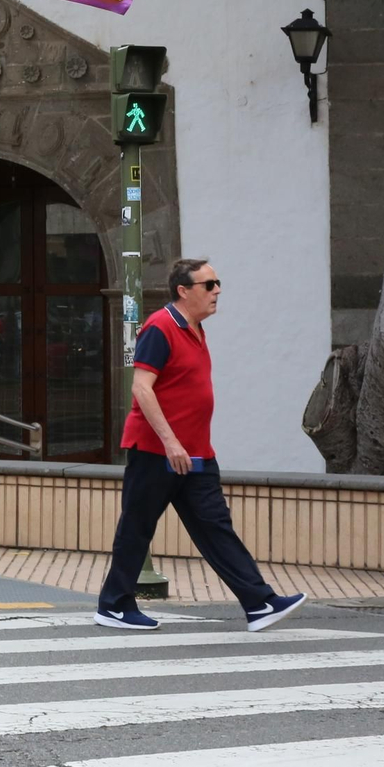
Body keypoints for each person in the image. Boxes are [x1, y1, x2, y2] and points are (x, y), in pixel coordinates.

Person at [93, 258, 306, 632]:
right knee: (138, 526)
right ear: (184, 290)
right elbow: (142, 387)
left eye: (217, 283)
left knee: (215, 527)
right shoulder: (161, 327)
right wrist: (171, 442)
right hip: (159, 452)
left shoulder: (195, 328)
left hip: (196, 454)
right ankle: (114, 605)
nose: (217, 290)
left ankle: (259, 603)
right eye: (209, 284)